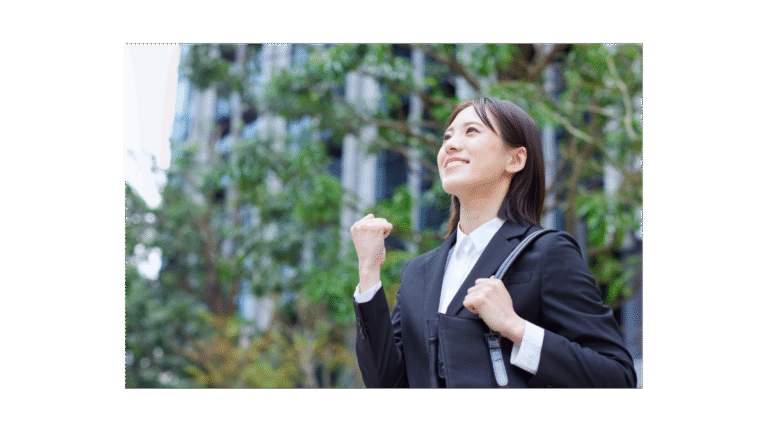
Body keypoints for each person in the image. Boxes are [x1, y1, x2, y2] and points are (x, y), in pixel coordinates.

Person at [350, 97, 637, 388]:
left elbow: (617, 378)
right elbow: (386, 384)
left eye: (471, 131)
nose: (450, 144)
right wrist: (368, 271)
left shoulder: (547, 252)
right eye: (447, 136)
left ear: (515, 159)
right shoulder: (417, 273)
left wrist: (516, 328)